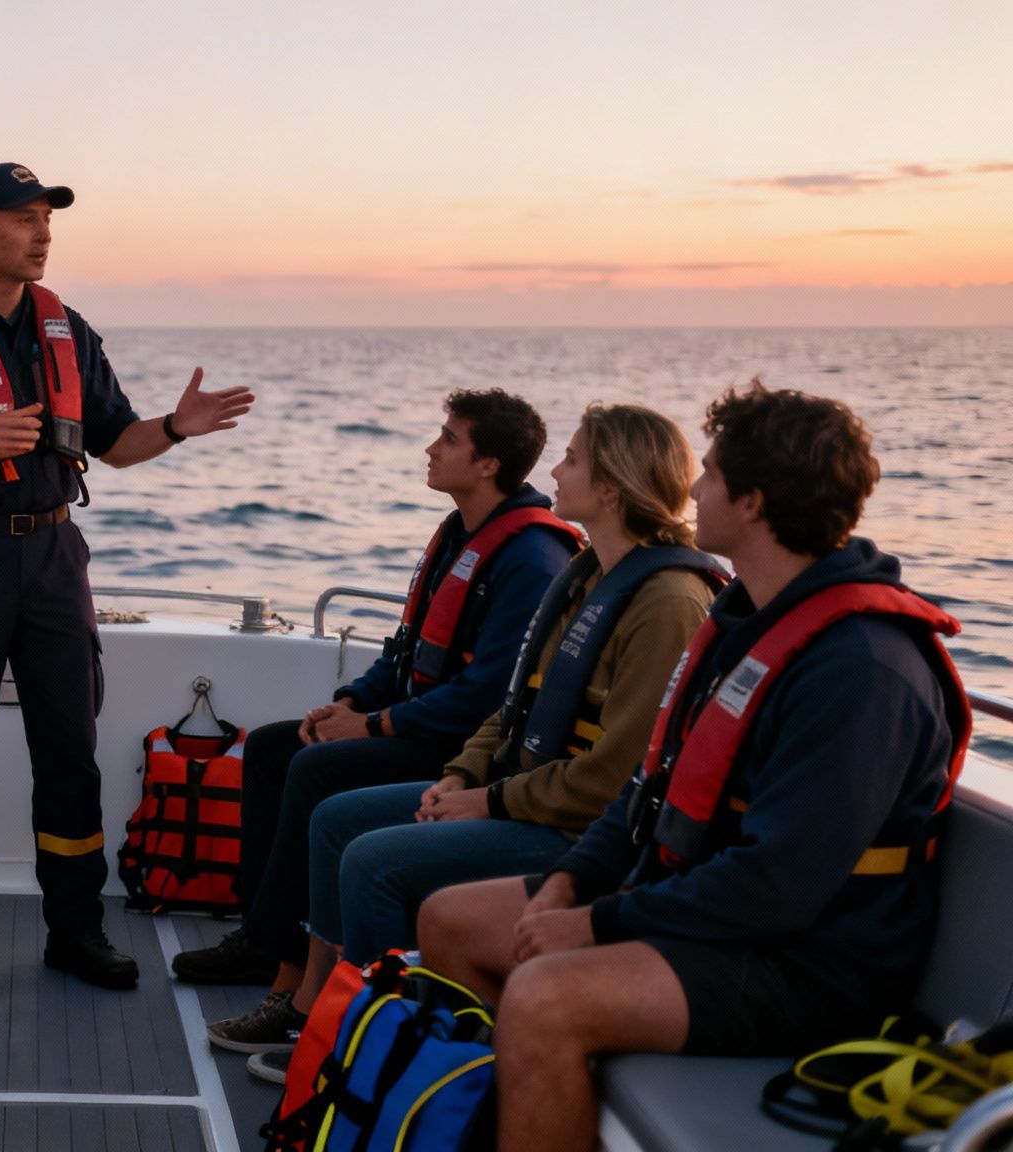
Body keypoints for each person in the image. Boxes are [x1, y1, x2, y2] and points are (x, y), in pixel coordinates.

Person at [417, 383, 966, 1152]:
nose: (694, 488)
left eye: (709, 473)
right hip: (698, 907)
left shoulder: (860, 669)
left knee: (545, 995)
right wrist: (574, 880)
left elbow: (776, 887)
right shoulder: (749, 619)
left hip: (809, 965)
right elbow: (652, 787)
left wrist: (594, 923)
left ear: (752, 501)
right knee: (449, 920)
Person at [209, 405, 719, 1072]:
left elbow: (611, 778)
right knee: (335, 818)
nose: (556, 471)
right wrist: (462, 776)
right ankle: (318, 1008)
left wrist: (489, 800)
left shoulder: (667, 603)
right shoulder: (587, 577)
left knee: (373, 860)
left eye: (572, 459)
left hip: (581, 832)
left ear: (614, 487)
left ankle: (372, 1054)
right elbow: (511, 709)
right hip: (517, 789)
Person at [0, 162, 255, 995]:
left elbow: (116, 444)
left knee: (70, 754)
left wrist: (176, 430)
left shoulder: (67, 328)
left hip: (52, 556)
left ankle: (75, 931)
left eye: (48, 219)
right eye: (22, 219)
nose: (42, 234)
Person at [174, 390, 576, 988]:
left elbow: (488, 694)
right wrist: (352, 702)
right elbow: (405, 649)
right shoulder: (459, 535)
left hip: (466, 751)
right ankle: (265, 937)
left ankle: (287, 951)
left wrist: (372, 726)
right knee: (272, 748)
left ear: (489, 464)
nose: (431, 448)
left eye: (449, 439)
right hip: (419, 725)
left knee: (316, 767)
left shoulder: (532, 558)